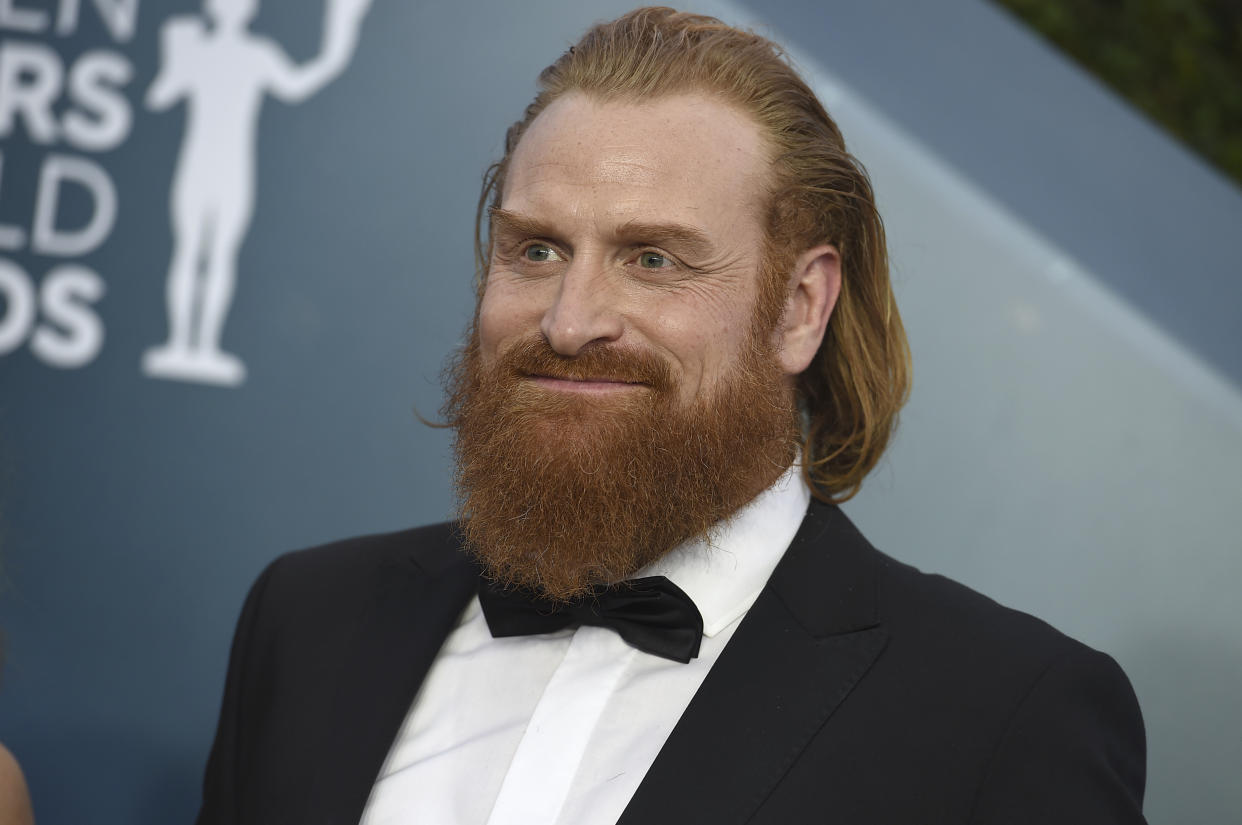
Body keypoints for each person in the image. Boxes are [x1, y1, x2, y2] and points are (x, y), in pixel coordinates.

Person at [195, 8, 1147, 824]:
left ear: (799, 307)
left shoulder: (1003, 715)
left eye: (653, 259)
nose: (571, 323)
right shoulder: (309, 621)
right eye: (535, 250)